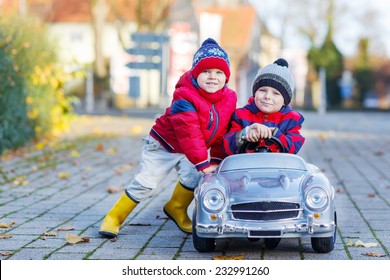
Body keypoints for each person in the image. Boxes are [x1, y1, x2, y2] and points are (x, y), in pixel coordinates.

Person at [99, 38, 237, 238]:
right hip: (164, 146)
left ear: (226, 77)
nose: (212, 77)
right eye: (206, 72)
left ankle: (176, 208)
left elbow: (222, 132)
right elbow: (189, 133)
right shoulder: (185, 95)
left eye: (219, 72)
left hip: (190, 150)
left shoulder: (229, 98)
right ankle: (114, 217)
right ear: (195, 74)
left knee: (196, 177)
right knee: (147, 182)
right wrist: (202, 162)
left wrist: (214, 160)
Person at [223, 58, 304, 155]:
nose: (267, 97)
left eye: (275, 93)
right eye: (263, 90)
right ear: (254, 93)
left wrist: (275, 134)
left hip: (277, 167)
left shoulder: (291, 120)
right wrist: (245, 133)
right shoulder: (241, 116)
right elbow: (226, 146)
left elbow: (293, 149)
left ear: (284, 102)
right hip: (246, 166)